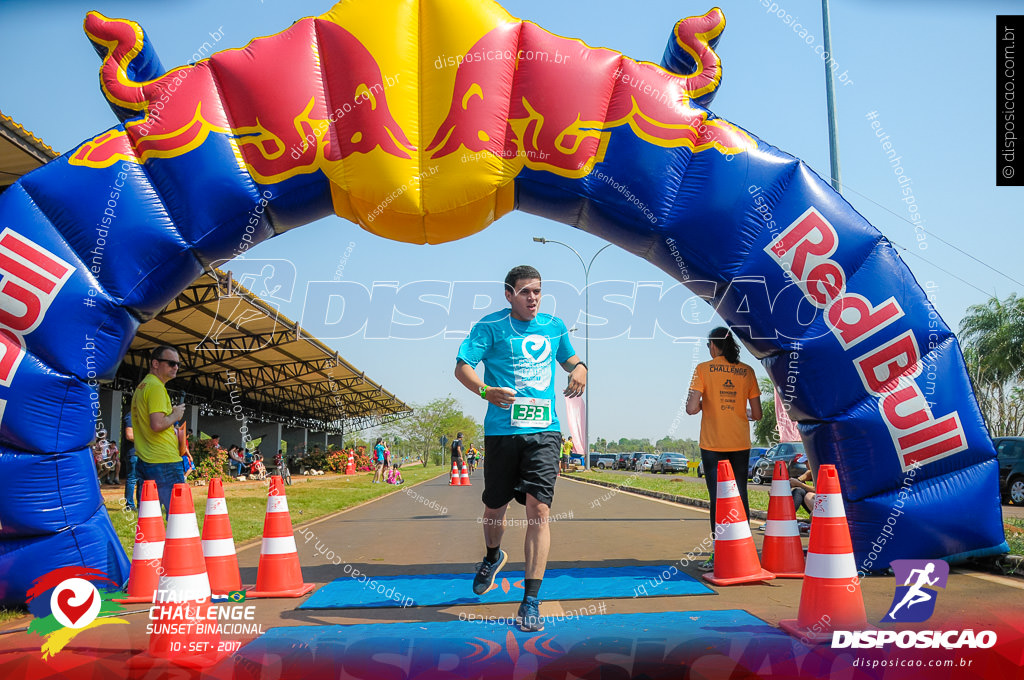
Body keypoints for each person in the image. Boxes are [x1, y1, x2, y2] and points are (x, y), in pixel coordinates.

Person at [455, 264, 587, 633]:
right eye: (526, 292)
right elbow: (462, 367)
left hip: (544, 431)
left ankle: (530, 600)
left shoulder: (555, 327)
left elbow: (570, 360)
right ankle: (493, 556)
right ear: (509, 294)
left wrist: (581, 368)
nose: (533, 298)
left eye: (538, 292)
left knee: (539, 509)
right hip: (502, 431)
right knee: (494, 506)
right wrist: (485, 390)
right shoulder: (489, 328)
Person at [686, 326, 762, 572]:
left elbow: (691, 408)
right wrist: (742, 412)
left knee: (718, 499)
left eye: (709, 345)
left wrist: (705, 405)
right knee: (740, 496)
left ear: (713, 345)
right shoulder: (747, 371)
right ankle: (744, 552)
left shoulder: (703, 370)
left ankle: (719, 554)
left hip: (712, 444)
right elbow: (758, 414)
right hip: (740, 443)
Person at [131, 345, 187, 514]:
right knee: (179, 517)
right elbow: (157, 424)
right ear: (155, 363)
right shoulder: (156, 387)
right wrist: (175, 415)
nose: (175, 367)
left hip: (146, 459)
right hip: (164, 461)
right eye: (171, 363)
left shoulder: (143, 386)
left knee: (149, 518)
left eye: (177, 364)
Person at [123, 411, 140, 511]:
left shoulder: (140, 416)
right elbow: (129, 435)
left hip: (141, 453)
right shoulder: (130, 416)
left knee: (140, 480)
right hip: (133, 453)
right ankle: (130, 506)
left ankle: (140, 505)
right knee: (132, 479)